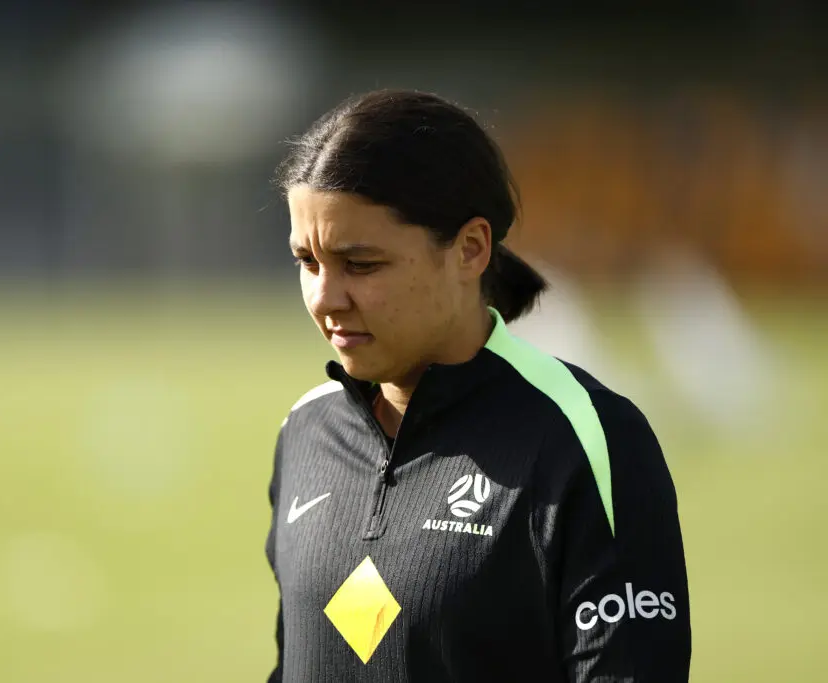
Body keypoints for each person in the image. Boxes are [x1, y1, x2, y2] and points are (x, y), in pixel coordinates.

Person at [265, 89, 690, 682]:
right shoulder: (306, 432)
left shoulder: (585, 438)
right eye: (307, 263)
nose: (324, 299)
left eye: (360, 265)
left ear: (470, 250)